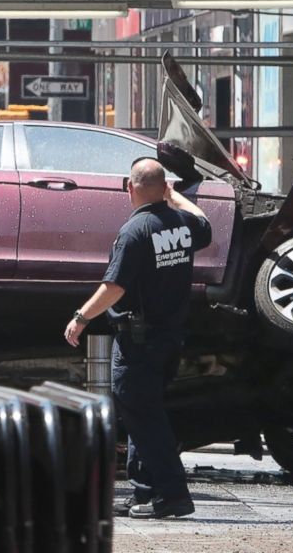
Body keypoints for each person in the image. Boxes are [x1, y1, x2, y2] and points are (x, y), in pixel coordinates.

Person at [64, 157, 211, 519]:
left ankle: (173, 494)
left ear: (128, 187)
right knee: (144, 412)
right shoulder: (182, 225)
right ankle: (144, 492)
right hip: (169, 338)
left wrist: (81, 318)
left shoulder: (135, 232)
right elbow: (205, 223)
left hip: (138, 341)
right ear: (164, 188)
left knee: (143, 416)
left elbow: (114, 287)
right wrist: (174, 198)